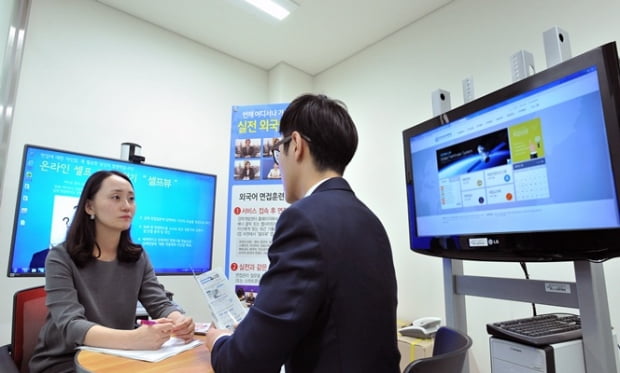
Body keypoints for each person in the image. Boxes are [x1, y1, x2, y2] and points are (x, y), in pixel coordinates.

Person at [205, 94, 400, 372]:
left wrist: (220, 341)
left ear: (295, 145)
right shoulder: (370, 219)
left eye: (278, 152)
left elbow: (245, 364)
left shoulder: (304, 219)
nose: (278, 164)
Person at [29, 170, 195, 373]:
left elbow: (159, 303)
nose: (127, 206)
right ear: (90, 206)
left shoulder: (137, 256)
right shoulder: (61, 256)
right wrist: (134, 339)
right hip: (65, 362)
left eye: (131, 199)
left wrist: (178, 320)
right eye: (116, 197)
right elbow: (72, 325)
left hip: (117, 355)